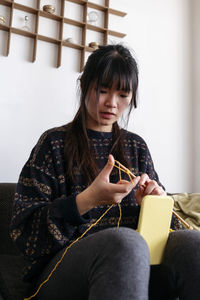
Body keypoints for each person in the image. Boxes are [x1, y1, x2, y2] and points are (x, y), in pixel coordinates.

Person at [10, 44, 200, 300]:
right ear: (84, 85)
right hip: (61, 267)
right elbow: (24, 233)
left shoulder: (137, 147)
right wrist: (86, 200)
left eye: (123, 95)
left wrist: (156, 203)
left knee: (193, 243)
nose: (112, 103)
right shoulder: (53, 144)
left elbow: (172, 229)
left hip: (137, 259)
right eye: (102, 90)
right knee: (126, 243)